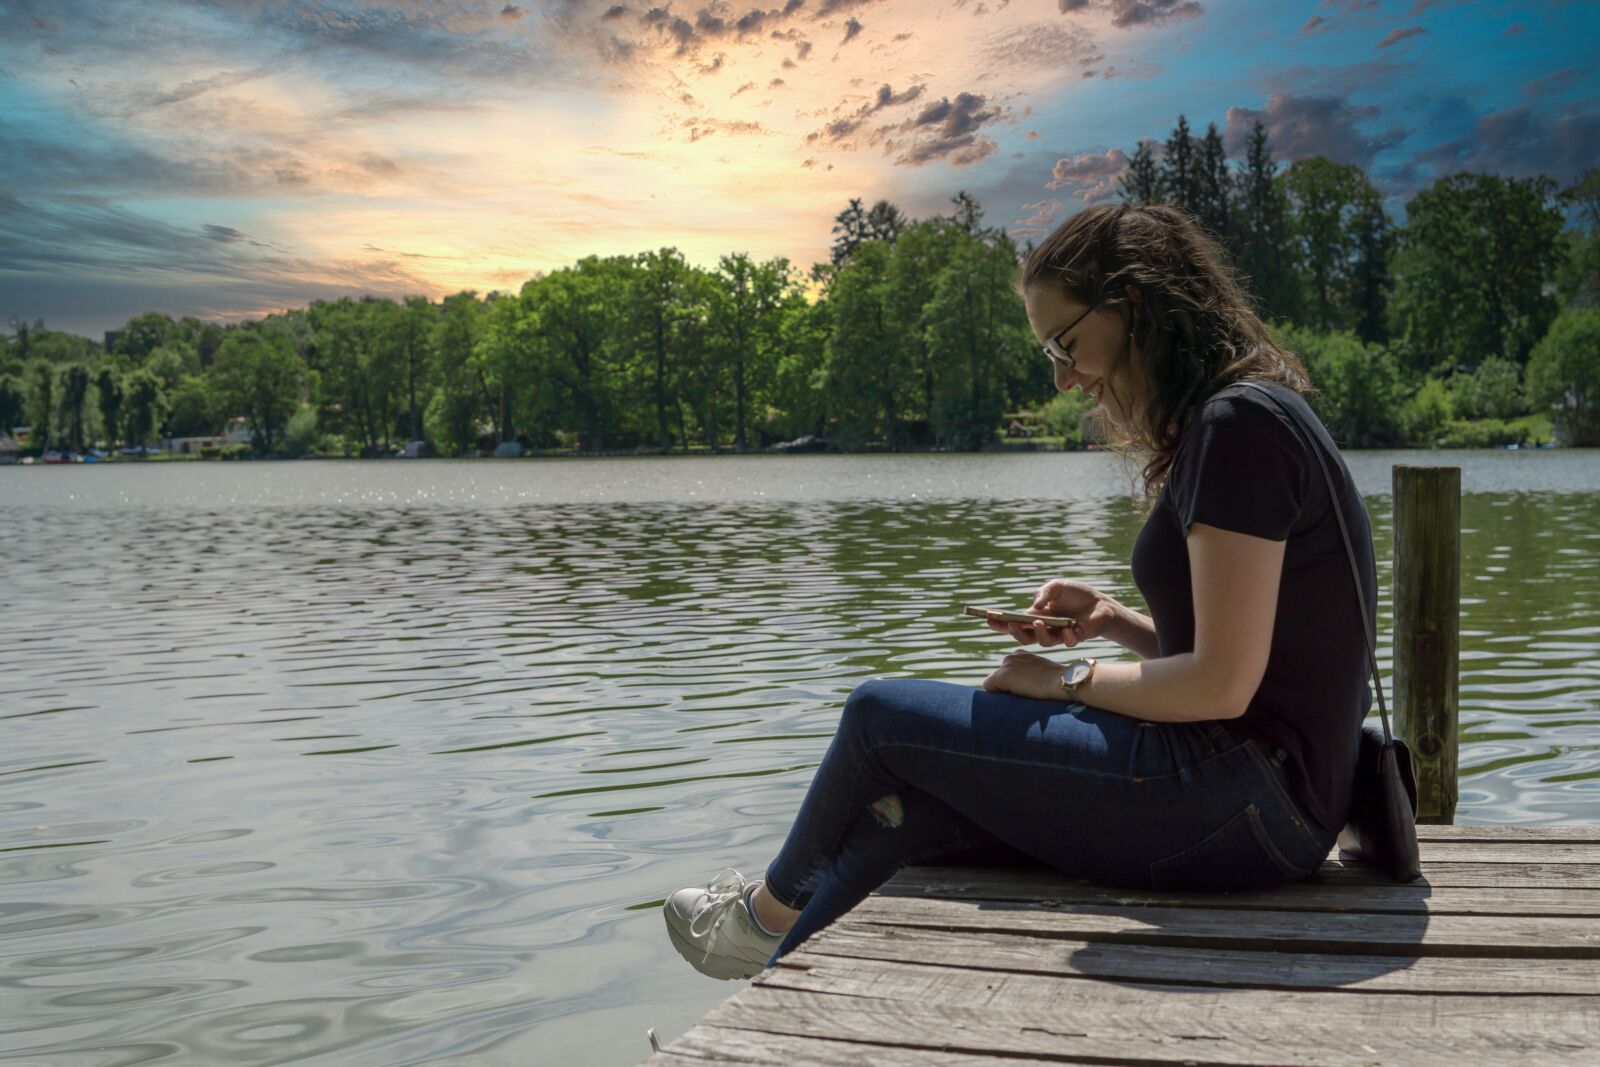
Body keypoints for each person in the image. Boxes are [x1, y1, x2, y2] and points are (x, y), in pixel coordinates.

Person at [662, 202, 1377, 981]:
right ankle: (776, 1014)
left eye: (1066, 344)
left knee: (879, 718)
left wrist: (1064, 679)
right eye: (1049, 354)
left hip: (1249, 803)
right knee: (905, 816)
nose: (1065, 376)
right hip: (1255, 798)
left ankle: (760, 918)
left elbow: (1223, 683)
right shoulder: (1248, 414)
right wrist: (1113, 623)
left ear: (1133, 304)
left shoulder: (1236, 426)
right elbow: (1244, 663)